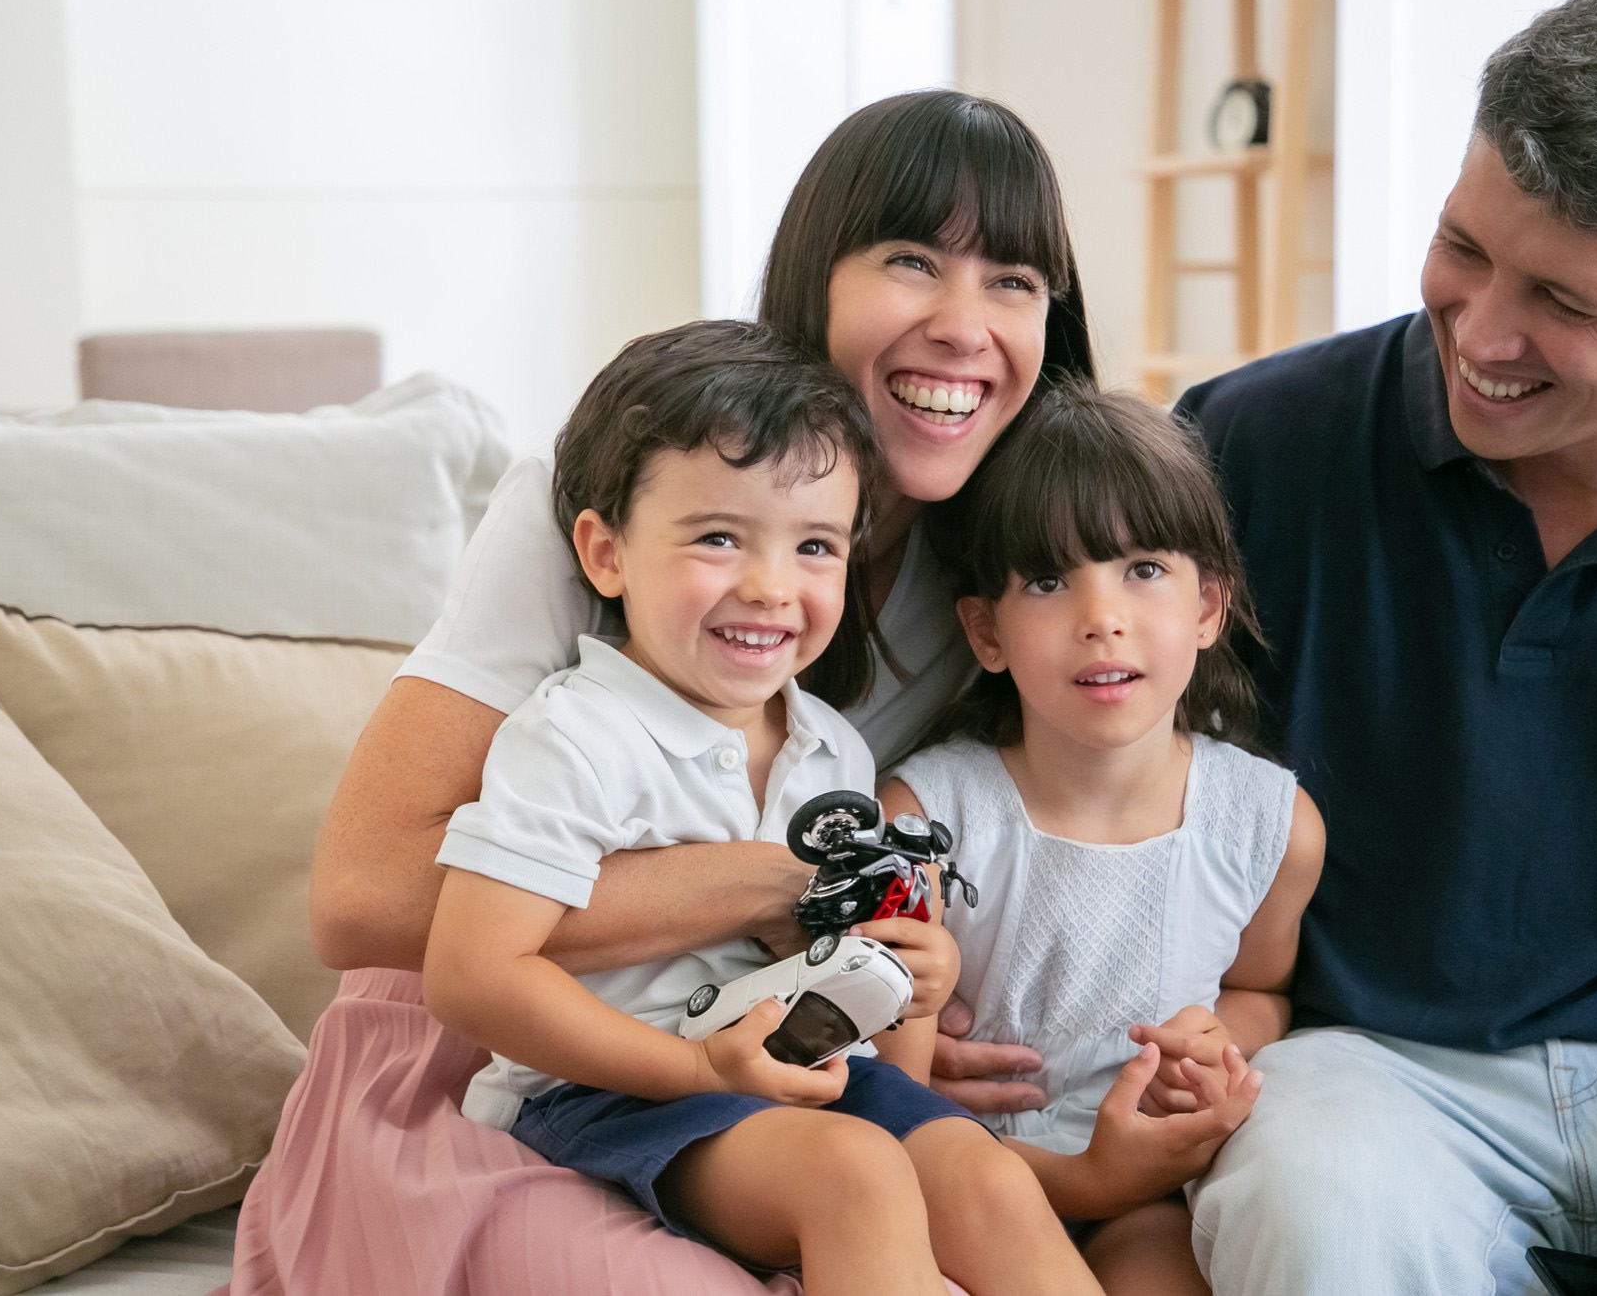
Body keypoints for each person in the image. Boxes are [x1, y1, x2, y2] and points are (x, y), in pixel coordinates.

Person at [932, 0, 1597, 1295]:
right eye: (1464, 246)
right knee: (1314, 1208)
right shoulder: (1248, 452)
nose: (1483, 333)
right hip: (1368, 1066)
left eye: (1563, 302)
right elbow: (1043, 746)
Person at [226, 89, 1097, 1294]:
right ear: (816, 277)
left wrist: (906, 987)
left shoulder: (997, 576)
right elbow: (363, 900)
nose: (964, 324)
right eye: (910, 260)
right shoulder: (621, 493)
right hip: (510, 1049)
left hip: (773, 1042)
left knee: (968, 1190)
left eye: (1014, 280)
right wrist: (783, 885)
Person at [421, 319, 1100, 1296]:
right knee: (854, 1175)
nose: (770, 586)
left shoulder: (832, 748)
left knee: (983, 1176)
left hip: (789, 1061)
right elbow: (470, 975)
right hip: (608, 1088)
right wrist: (693, 1071)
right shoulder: (577, 735)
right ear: (606, 554)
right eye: (717, 537)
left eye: (813, 545)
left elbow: (877, 1047)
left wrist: (906, 974)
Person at [882, 383, 1322, 1294]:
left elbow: (1261, 985)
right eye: (1049, 580)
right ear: (986, 630)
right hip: (956, 1175)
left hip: (1148, 1192)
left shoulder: (1268, 824)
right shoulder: (922, 819)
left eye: (1143, 569)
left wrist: (1216, 1040)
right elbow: (883, 1087)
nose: (1101, 616)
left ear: (1208, 607)